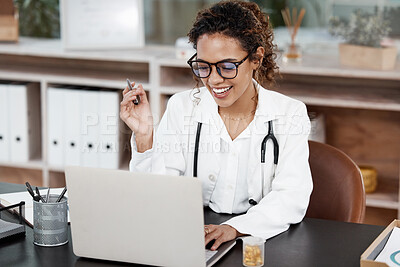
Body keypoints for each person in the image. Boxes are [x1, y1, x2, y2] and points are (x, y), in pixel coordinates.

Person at [120, 1, 312, 251]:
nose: (213, 79)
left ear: (256, 58)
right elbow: (157, 196)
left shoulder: (290, 114)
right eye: (203, 66)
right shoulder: (182, 107)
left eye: (227, 66)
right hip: (195, 238)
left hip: (258, 241)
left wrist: (235, 227)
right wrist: (144, 136)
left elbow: (291, 196)